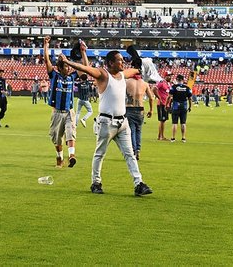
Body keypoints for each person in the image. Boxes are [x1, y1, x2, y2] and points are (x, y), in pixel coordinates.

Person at [60, 50, 152, 197]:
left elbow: (135, 69)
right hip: (106, 122)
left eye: (122, 60)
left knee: (130, 154)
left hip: (122, 123)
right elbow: (85, 69)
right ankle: (95, 182)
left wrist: (138, 63)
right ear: (110, 63)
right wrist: (68, 62)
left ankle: (139, 183)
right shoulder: (103, 75)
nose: (122, 62)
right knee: (100, 154)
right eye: (119, 60)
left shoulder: (122, 75)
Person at [43, 36, 83, 168]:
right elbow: (46, 60)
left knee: (71, 133)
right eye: (66, 66)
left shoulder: (72, 76)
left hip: (69, 111)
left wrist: (82, 52)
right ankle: (59, 157)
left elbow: (83, 68)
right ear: (60, 68)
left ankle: (72, 155)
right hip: (56, 113)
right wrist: (46, 45)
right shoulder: (54, 75)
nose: (69, 69)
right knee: (57, 138)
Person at [126, 74, 154, 161]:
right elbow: (151, 98)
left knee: (132, 131)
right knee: (139, 131)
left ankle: (134, 150)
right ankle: (138, 149)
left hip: (129, 108)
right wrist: (151, 110)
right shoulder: (144, 83)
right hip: (140, 109)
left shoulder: (127, 82)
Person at [167, 74, 191, 142]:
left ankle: (173, 138)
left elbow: (169, 96)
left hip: (175, 106)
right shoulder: (187, 88)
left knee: (174, 123)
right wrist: (190, 107)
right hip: (184, 106)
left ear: (177, 80)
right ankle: (183, 138)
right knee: (183, 123)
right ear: (183, 80)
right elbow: (190, 98)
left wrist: (167, 104)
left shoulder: (174, 87)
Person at [154, 76, 171, 141]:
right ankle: (159, 136)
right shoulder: (161, 83)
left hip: (166, 104)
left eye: (171, 76)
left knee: (163, 121)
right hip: (161, 104)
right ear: (165, 76)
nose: (170, 77)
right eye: (169, 76)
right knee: (162, 120)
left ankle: (162, 136)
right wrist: (159, 98)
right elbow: (154, 89)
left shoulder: (168, 84)